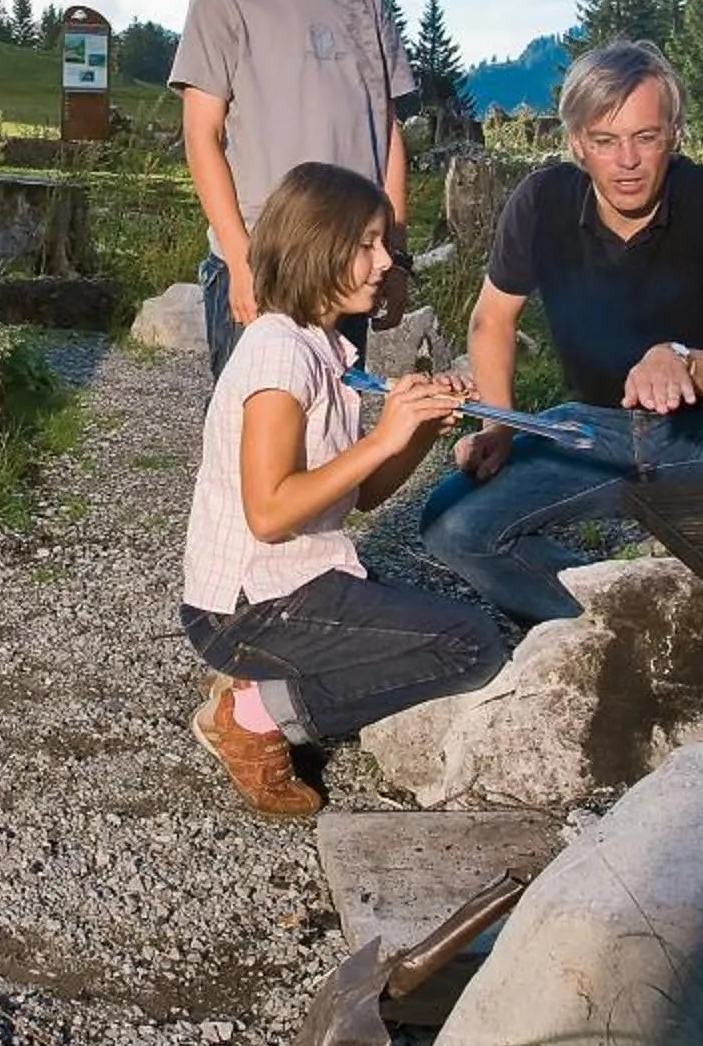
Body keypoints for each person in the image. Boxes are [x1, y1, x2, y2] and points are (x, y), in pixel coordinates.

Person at [416, 40, 703, 624]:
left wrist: (682, 359)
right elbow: (491, 320)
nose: (627, 160)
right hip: (590, 430)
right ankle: (622, 625)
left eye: (645, 137)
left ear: (674, 133)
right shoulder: (541, 202)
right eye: (605, 140)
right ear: (577, 142)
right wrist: (498, 426)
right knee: (453, 525)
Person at [181, 161, 511, 817]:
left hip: (290, 583)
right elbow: (268, 513)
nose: (385, 260)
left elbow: (361, 494)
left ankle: (260, 685)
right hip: (247, 608)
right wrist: (383, 437)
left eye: (382, 243)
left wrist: (419, 428)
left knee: (447, 630)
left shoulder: (322, 347)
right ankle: (252, 714)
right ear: (317, 248)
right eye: (367, 244)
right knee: (472, 645)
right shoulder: (279, 357)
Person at [169, 0, 418, 380]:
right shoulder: (223, 0)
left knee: (335, 423)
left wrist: (395, 257)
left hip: (349, 264)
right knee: (253, 426)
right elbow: (202, 137)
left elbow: (386, 137)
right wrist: (239, 260)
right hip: (266, 261)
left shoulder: (367, 2)